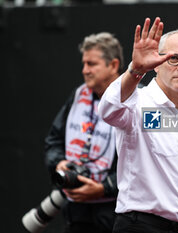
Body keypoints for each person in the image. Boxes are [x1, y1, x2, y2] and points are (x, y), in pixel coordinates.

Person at [98, 17, 178, 233]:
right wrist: (135, 71)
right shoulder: (137, 102)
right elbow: (108, 110)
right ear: (156, 64)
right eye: (174, 58)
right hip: (142, 226)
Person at [44, 32, 123, 233]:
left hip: (116, 213)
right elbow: (53, 141)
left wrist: (104, 188)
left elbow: (144, 163)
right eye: (84, 63)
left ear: (113, 65)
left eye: (92, 64)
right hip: (77, 211)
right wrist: (59, 162)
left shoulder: (135, 98)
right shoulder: (79, 95)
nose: (85, 70)